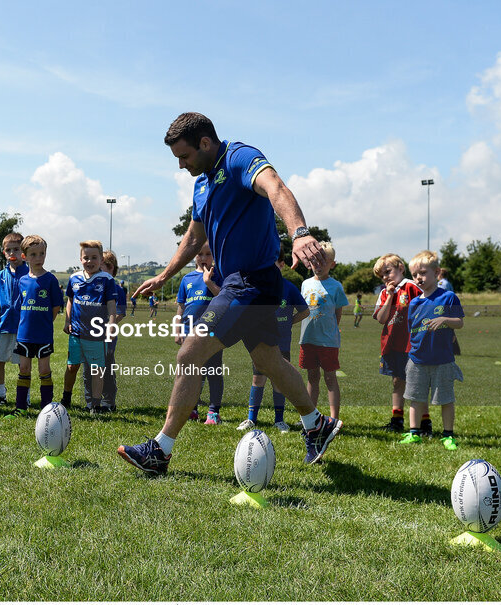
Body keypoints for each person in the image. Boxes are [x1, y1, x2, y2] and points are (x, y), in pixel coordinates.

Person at [118, 111, 339, 475]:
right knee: (268, 360)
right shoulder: (202, 183)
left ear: (205, 143)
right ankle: (316, 424)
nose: (181, 165)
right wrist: (164, 276)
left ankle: (160, 450)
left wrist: (300, 233)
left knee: (190, 352)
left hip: (249, 282)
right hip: (246, 283)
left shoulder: (238, 158)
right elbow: (194, 236)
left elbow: (276, 188)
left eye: (184, 156)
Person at [398, 251, 464, 450]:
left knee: (446, 399)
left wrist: (445, 321)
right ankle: (414, 433)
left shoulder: (448, 297)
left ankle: (448, 435)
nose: (419, 278)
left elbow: (459, 322)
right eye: (415, 274)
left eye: (423, 273)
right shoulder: (415, 303)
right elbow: (412, 330)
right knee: (415, 398)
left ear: (436, 273)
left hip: (442, 359)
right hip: (417, 359)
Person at [240, 259, 308, 432]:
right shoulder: (259, 287)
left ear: (282, 264)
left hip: (282, 343)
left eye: (274, 263)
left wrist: (289, 322)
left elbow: (305, 311)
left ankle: (279, 420)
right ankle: (251, 419)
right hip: (261, 343)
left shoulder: (289, 287)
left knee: (279, 381)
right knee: (258, 379)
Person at [8, 235, 63, 418]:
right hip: (24, 335)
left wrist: (45, 322)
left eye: (42, 253)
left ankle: (47, 410)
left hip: (43, 335)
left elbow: (56, 306)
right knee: (23, 369)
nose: (38, 258)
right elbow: (19, 307)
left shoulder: (50, 280)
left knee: (44, 370)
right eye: (33, 254)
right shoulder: (22, 280)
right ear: (25, 256)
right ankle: (20, 408)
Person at [61, 240, 118, 414]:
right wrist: (67, 321)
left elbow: (111, 303)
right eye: (86, 257)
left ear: (101, 259)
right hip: (76, 332)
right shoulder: (74, 278)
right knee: (72, 366)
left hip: (96, 334)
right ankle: (66, 398)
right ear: (80, 259)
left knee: (97, 370)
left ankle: (95, 404)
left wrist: (111, 323)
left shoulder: (106, 279)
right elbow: (70, 300)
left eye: (94, 257)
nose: (89, 261)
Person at [173, 241, 223, 424]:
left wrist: (208, 282)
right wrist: (177, 329)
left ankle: (213, 412)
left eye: (208, 254)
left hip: (212, 333)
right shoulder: (186, 279)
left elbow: (223, 299)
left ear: (214, 256)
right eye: (199, 254)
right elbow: (181, 307)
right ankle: (191, 409)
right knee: (191, 372)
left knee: (214, 372)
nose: (203, 258)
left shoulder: (218, 276)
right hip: (189, 333)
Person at [372, 253, 423, 433]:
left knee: (417, 382)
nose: (385, 277)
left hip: (412, 344)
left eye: (388, 271)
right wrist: (390, 295)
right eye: (382, 275)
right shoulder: (385, 293)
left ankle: (424, 423)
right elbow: (381, 318)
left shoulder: (412, 287)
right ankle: (397, 420)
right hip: (392, 344)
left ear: (400, 268)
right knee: (396, 381)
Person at [299, 241, 348, 420]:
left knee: (330, 378)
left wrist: (330, 331)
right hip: (307, 339)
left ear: (332, 264)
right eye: (314, 261)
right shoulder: (305, 284)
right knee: (312, 377)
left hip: (327, 341)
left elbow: (338, 313)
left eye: (323, 261)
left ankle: (334, 419)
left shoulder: (336, 286)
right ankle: (310, 417)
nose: (318, 265)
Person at [0, 233, 28, 407]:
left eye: (16, 249)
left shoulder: (30, 275)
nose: (12, 253)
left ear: (23, 252)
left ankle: (23, 397)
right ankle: (0, 395)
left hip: (23, 330)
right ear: (3, 252)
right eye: (8, 249)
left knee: (23, 365)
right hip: (3, 327)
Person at [82, 250, 126, 412]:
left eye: (101, 269)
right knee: (88, 371)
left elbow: (120, 313)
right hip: (90, 337)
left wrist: (108, 324)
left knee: (106, 370)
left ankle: (108, 402)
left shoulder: (117, 289)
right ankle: (91, 402)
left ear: (111, 269)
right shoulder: (93, 288)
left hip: (107, 339)